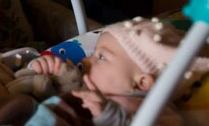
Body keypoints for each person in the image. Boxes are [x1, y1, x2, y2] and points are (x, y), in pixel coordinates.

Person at [25, 17, 209, 124]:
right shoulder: (91, 88)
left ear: (142, 82)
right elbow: (56, 98)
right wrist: (45, 71)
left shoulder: (156, 111)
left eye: (101, 57)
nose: (85, 59)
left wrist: (109, 114)